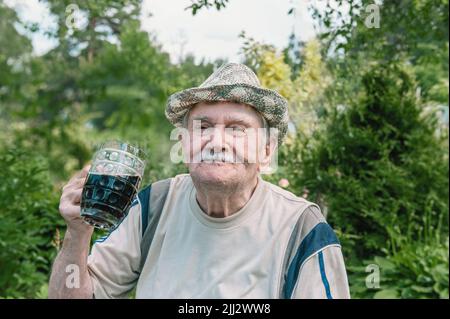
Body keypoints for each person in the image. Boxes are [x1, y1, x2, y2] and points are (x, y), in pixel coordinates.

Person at [49, 63, 350, 299]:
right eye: (203, 126)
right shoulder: (153, 206)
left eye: (237, 129)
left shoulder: (302, 229)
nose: (216, 141)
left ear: (266, 152)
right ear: (184, 143)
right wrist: (78, 232)